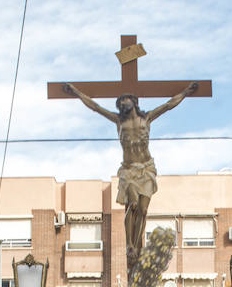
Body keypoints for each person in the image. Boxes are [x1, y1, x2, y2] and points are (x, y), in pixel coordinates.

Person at [61, 81, 200, 267]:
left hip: (147, 168)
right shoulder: (119, 121)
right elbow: (95, 106)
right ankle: (129, 245)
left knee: (143, 210)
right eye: (120, 103)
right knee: (132, 204)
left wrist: (186, 92)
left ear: (134, 101)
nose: (122, 104)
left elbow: (168, 105)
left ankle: (137, 245)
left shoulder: (147, 118)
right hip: (128, 170)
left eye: (125, 100)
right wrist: (76, 92)